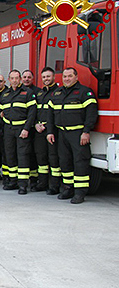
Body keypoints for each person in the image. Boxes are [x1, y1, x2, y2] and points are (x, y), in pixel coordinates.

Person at [47, 67, 97, 204]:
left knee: (80, 162)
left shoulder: (84, 92)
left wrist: (86, 131)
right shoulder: (57, 93)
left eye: (70, 76)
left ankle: (80, 193)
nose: (67, 79)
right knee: (64, 161)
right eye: (64, 76)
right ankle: (68, 188)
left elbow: (91, 114)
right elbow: (50, 115)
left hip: (78, 133)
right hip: (61, 133)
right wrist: (50, 132)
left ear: (76, 77)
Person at [0, 70, 37, 194]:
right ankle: (13, 181)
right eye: (12, 78)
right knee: (10, 155)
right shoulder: (5, 94)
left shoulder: (28, 93)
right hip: (8, 129)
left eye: (17, 78)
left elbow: (32, 114)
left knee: (22, 156)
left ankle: (22, 184)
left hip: (22, 129)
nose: (15, 80)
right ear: (9, 79)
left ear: (20, 79)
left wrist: (26, 129)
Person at [34, 67, 60, 194]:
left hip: (51, 130)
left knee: (53, 157)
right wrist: (35, 124)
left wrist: (49, 127)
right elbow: (34, 112)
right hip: (39, 130)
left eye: (48, 76)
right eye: (44, 77)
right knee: (41, 157)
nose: (46, 79)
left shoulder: (58, 92)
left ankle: (54, 186)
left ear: (54, 77)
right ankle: (42, 183)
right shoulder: (40, 93)